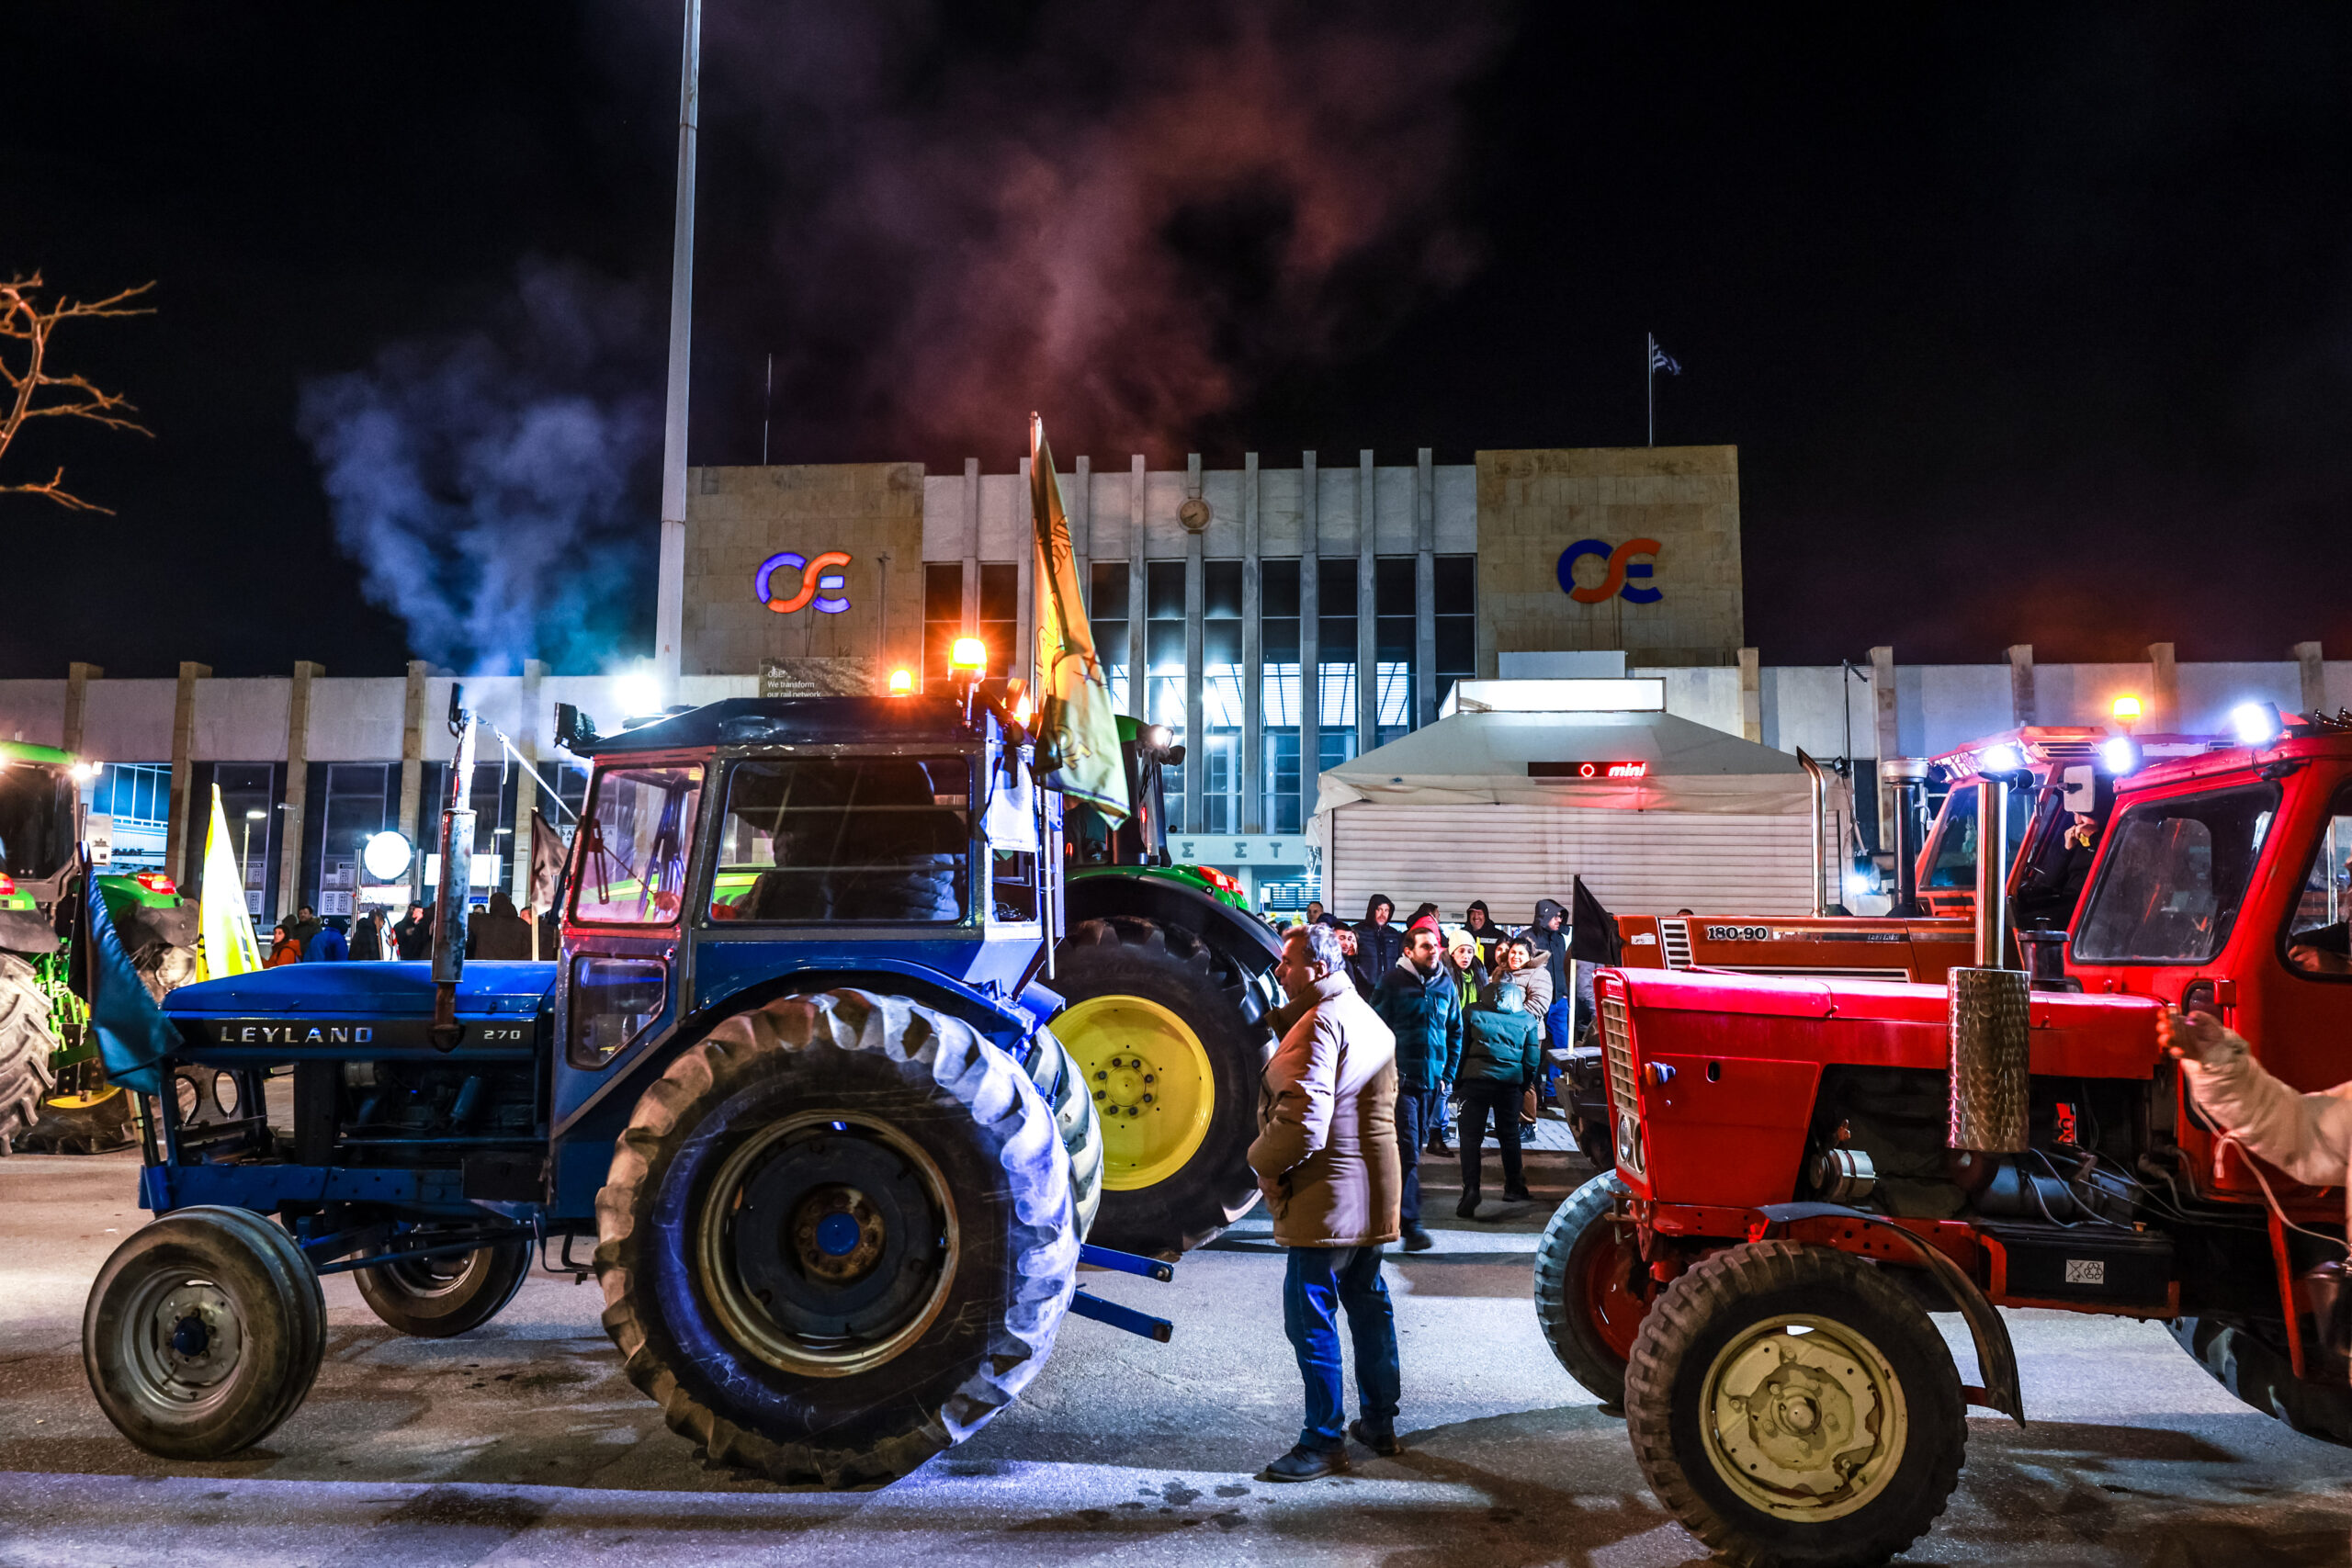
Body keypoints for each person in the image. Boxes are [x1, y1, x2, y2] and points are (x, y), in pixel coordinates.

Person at [1249, 921, 1403, 1480]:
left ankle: (1321, 1442)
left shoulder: (1318, 1024)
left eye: (1287, 963)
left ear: (1316, 968)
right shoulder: (1364, 1014)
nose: (1281, 971)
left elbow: (1301, 1126)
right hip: (1369, 1189)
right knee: (1367, 1302)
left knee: (1310, 1314)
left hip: (1326, 1195)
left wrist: (1258, 1164)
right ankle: (1380, 1425)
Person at [1370, 917, 1461, 1253]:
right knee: (1408, 1148)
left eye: (1435, 945)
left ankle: (1386, 1210)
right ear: (1409, 951)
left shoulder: (1445, 985)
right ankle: (1411, 1225)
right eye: (1426, 946)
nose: (1433, 951)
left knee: (1415, 1149)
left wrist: (1447, 1075)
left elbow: (1456, 1031)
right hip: (1401, 1082)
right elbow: (1374, 1028)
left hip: (1432, 1084)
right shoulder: (1392, 982)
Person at [1457, 976, 1542, 1216]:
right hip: (1510, 1084)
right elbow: (1532, 1059)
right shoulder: (1526, 1018)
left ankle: (1471, 1189)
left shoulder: (1471, 1012)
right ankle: (1514, 1186)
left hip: (1475, 1081)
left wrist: (1458, 1081)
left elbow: (1461, 1048)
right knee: (1510, 1135)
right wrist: (1523, 1083)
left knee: (1470, 1138)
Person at [1351, 895, 1403, 998]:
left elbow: (1400, 961)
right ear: (1372, 910)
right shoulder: (1357, 931)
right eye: (1379, 909)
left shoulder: (1394, 934)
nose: (1383, 914)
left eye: (1386, 910)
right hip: (1363, 991)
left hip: (1389, 991)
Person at [467, 889, 536, 959]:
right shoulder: (521, 924)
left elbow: (461, 918)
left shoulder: (482, 921)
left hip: (485, 966)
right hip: (512, 966)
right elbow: (530, 948)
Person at [1464, 900, 1500, 972]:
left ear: (1485, 916)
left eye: (1479, 913)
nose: (1476, 917)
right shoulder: (1462, 934)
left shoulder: (1498, 935)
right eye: (1473, 913)